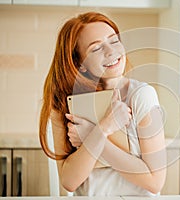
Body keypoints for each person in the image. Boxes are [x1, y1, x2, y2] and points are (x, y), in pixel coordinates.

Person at [39, 11, 166, 196]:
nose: (111, 51)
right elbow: (69, 181)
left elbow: (155, 181)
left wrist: (91, 136)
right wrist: (103, 128)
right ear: (80, 63)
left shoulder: (142, 96)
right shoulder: (65, 103)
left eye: (114, 41)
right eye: (96, 48)